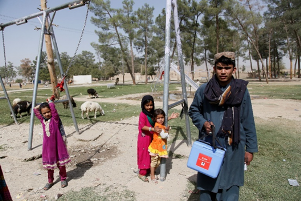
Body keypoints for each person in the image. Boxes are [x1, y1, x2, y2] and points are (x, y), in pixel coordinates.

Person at [188, 52, 258, 201]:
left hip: (234, 147)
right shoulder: (204, 90)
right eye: (220, 68)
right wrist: (203, 123)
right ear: (214, 68)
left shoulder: (241, 91)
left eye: (227, 68)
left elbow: (248, 120)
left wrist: (251, 149)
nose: (223, 71)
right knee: (207, 186)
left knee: (231, 186)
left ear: (234, 69)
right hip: (210, 146)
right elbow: (193, 110)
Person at [137, 95, 178, 182]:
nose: (149, 107)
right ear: (143, 105)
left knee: (151, 155)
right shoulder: (143, 114)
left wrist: (170, 118)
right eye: (147, 105)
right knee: (144, 154)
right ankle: (142, 173)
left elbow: (159, 121)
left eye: (151, 105)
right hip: (144, 138)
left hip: (152, 138)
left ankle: (149, 170)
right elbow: (142, 126)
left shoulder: (152, 114)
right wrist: (152, 129)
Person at [33, 97, 70, 190]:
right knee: (50, 166)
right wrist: (40, 106)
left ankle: (63, 178)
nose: (47, 114)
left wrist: (50, 102)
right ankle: (50, 181)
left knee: (60, 164)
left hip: (58, 146)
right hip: (48, 147)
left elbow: (54, 111)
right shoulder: (43, 121)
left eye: (48, 112)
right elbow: (35, 111)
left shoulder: (55, 119)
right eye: (44, 113)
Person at [148, 109, 170, 183]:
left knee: (157, 162)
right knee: (154, 162)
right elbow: (163, 135)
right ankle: (152, 175)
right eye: (158, 118)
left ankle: (152, 172)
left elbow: (163, 128)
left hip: (159, 147)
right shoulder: (157, 126)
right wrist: (167, 132)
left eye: (162, 117)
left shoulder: (160, 125)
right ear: (155, 119)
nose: (161, 120)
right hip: (156, 147)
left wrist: (166, 128)